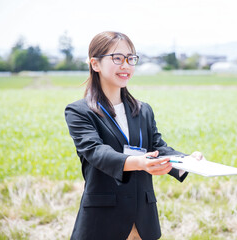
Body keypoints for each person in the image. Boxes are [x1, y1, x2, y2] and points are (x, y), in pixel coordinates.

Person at [65, 31, 203, 240]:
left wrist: (187, 162)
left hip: (142, 222)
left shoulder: (143, 109)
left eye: (131, 58)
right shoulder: (79, 112)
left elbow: (157, 147)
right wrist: (140, 162)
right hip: (102, 222)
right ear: (95, 64)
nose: (126, 65)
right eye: (117, 58)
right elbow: (96, 152)